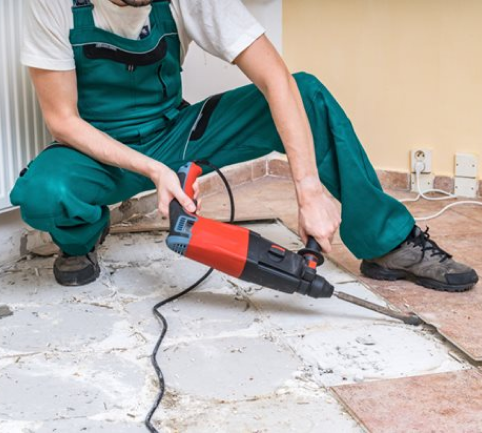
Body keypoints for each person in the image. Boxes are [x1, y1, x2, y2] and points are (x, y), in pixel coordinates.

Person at [10, 0, 478, 291]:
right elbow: (63, 121)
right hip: (97, 152)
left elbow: (276, 79)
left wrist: (308, 190)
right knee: (41, 194)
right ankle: (81, 238)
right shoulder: (52, 4)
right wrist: (154, 172)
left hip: (176, 134)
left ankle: (387, 241)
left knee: (306, 91)